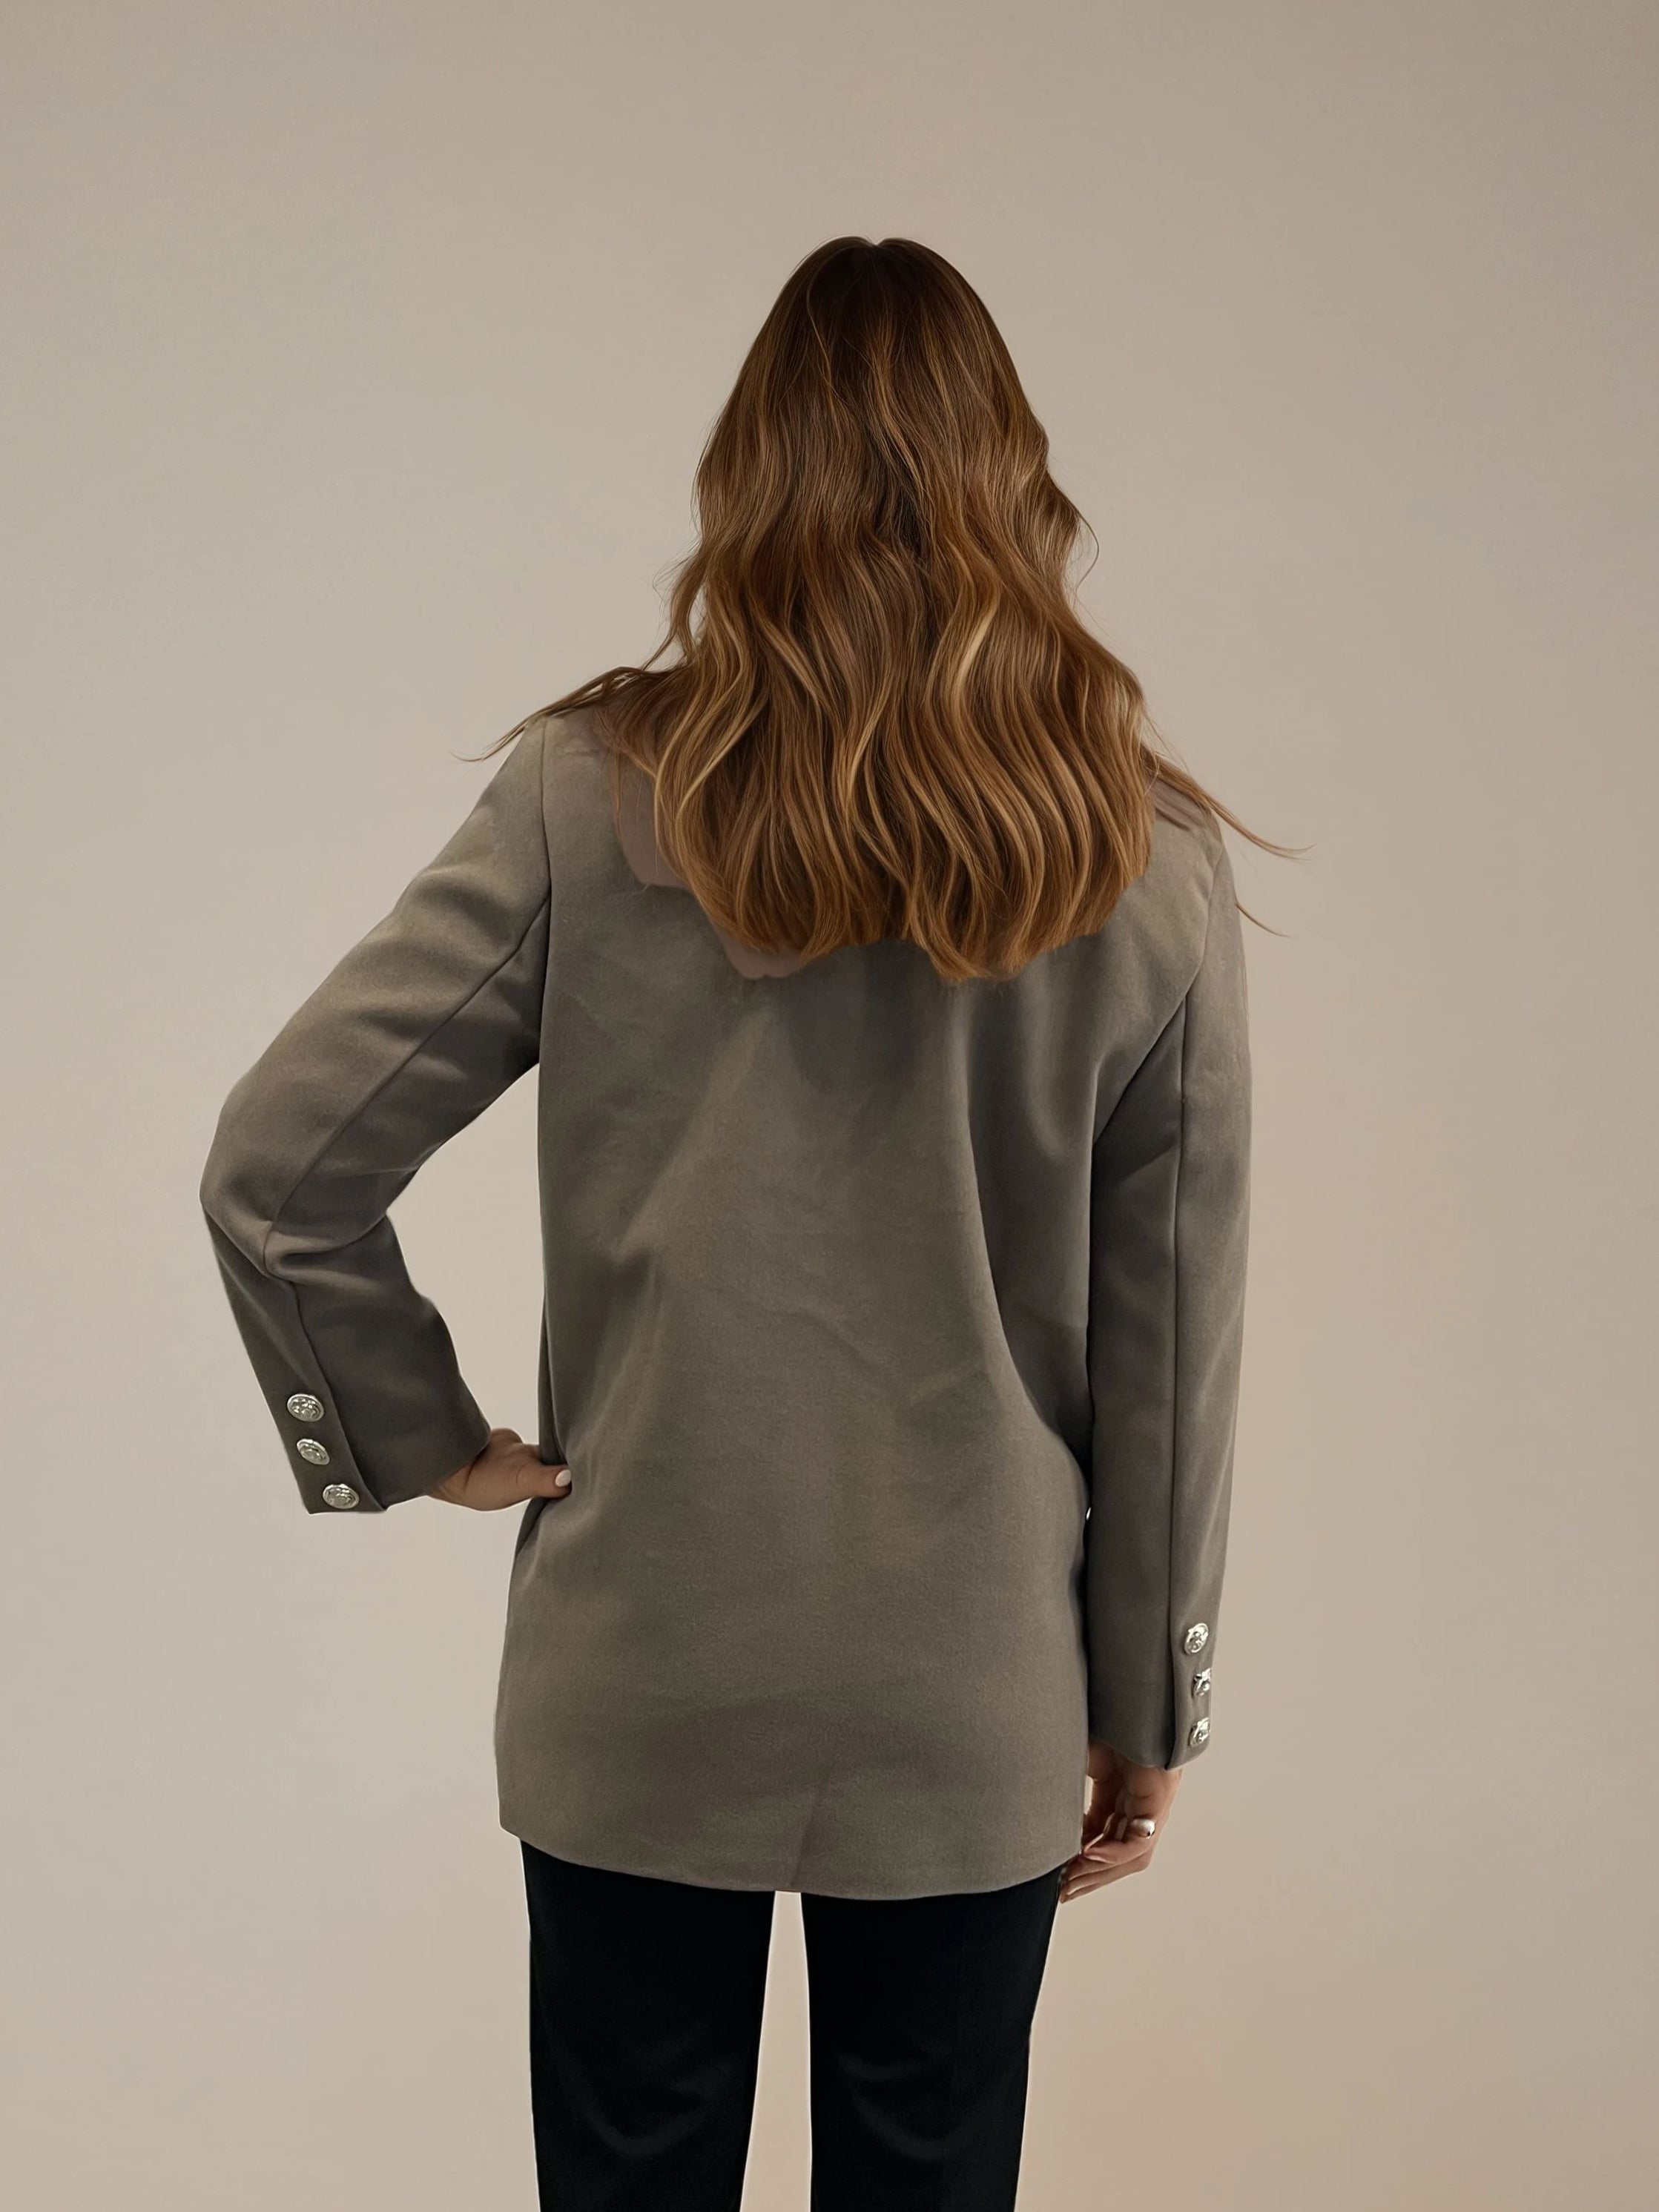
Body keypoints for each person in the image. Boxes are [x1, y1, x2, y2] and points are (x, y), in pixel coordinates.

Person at [199, 234, 1280, 2211]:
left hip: (645, 1661)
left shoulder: (587, 793)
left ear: (746, 477)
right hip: (974, 1685)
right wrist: (1149, 1698)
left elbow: (281, 1172)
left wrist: (420, 1435)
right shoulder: (1148, 860)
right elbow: (1173, 1349)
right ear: (1014, 483)